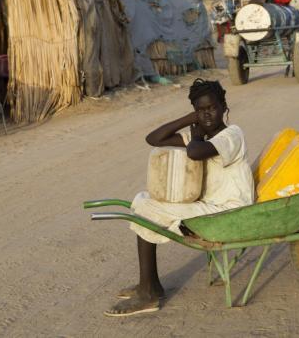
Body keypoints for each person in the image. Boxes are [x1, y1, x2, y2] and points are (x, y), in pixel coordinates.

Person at [104, 79, 254, 317]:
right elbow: (154, 139)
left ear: (224, 106)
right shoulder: (200, 133)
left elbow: (195, 152)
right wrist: (190, 120)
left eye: (212, 108)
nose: (207, 114)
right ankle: (150, 284)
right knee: (144, 199)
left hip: (230, 211)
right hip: (210, 207)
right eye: (200, 110)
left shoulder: (232, 134)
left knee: (146, 209)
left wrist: (195, 133)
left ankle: (149, 292)